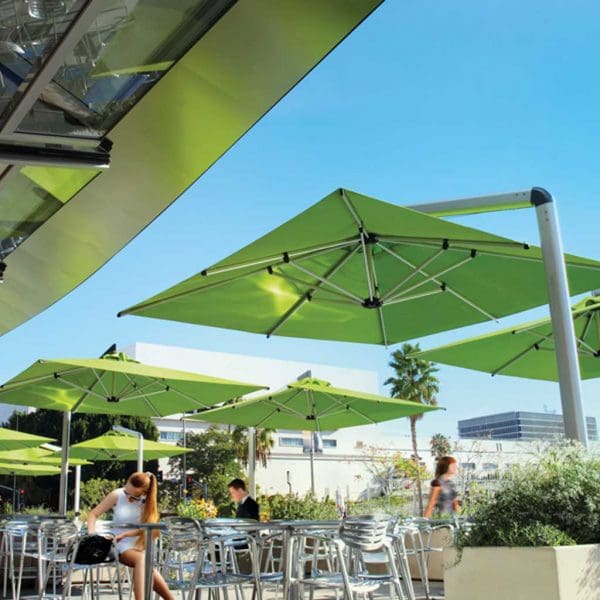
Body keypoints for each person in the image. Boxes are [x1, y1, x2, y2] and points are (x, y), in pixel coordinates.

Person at [87, 472, 174, 600]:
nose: (128, 497)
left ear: (144, 493)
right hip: (120, 544)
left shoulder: (147, 502)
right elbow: (93, 514)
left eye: (133, 496)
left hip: (139, 543)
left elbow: (147, 528)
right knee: (143, 560)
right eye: (126, 492)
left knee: (146, 562)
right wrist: (92, 535)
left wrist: (128, 533)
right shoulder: (117, 495)